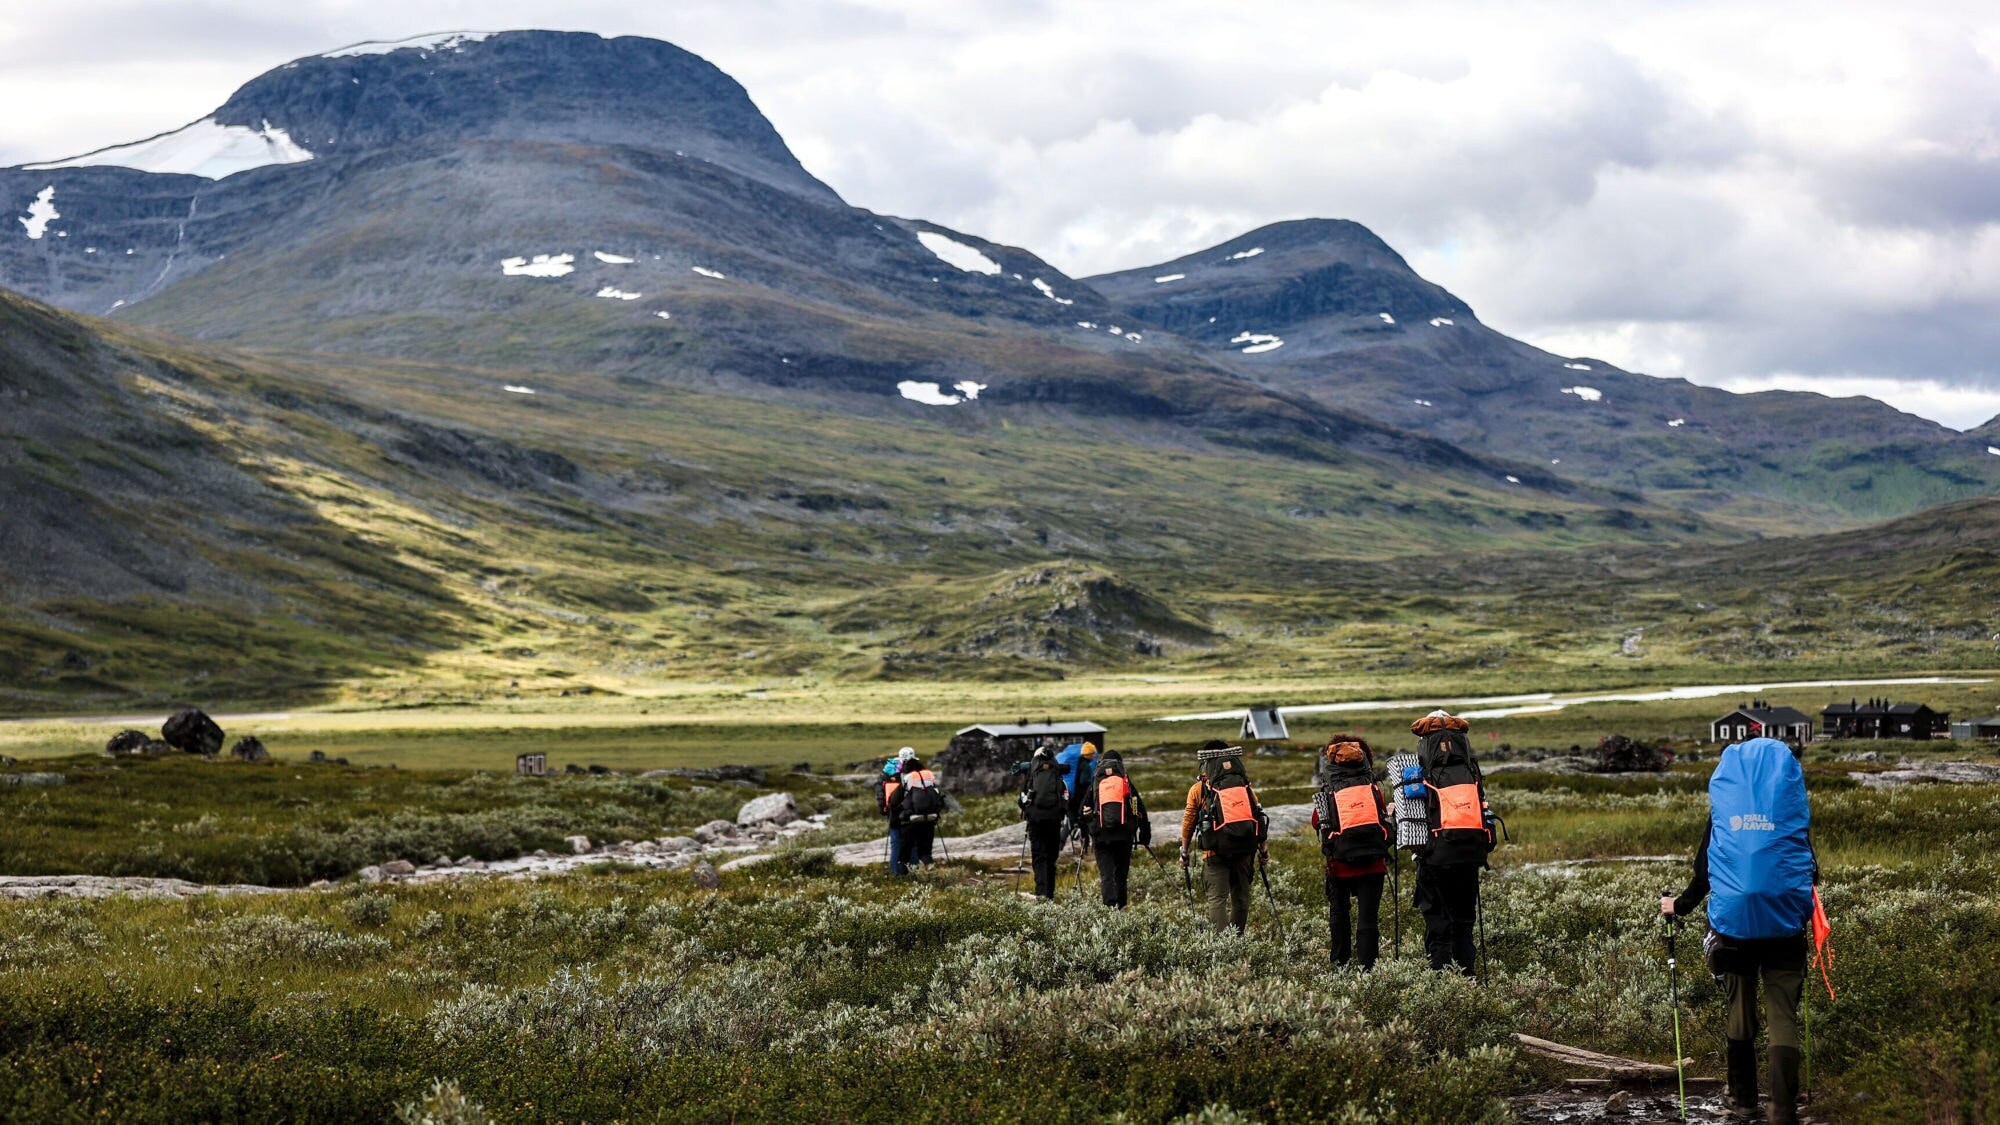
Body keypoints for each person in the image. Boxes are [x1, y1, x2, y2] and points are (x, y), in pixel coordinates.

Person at [1661, 735, 1818, 1124]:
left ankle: (1743, 1100)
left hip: (1734, 928)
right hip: (1785, 923)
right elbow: (1809, 866)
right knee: (1782, 1012)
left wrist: (1676, 907)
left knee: (1740, 1009)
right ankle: (1782, 1107)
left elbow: (1703, 875)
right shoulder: (1787, 807)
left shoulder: (1724, 811)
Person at [1410, 710, 1493, 975]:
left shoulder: (1418, 771)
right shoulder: (1471, 770)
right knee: (1464, 923)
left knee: (1438, 925)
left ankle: (1441, 986)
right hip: (1470, 854)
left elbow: (1410, 823)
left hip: (1435, 858)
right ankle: (1467, 981)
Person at [1311, 735, 1389, 969]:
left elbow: (1317, 821)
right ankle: (1368, 968)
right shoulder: (1372, 787)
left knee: (1339, 913)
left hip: (1340, 864)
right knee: (1367, 918)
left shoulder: (1329, 789)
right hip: (1374, 864)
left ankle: (1340, 964)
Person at [1180, 739, 1268, 934]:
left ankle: (1224, 946)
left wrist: (1184, 851)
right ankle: (1236, 939)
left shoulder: (1198, 789)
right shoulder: (1244, 786)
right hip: (1244, 848)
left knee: (1217, 900)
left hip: (1214, 852)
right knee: (1241, 899)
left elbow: (1188, 822)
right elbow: (1257, 815)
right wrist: (1263, 849)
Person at [1078, 749, 1150, 908]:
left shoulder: (1096, 781)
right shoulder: (1125, 781)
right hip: (1124, 836)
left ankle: (1109, 908)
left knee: (1106, 876)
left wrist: (1087, 829)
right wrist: (1145, 834)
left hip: (1101, 836)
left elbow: (1082, 809)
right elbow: (1140, 809)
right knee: (1121, 876)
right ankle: (1121, 907)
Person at [1019, 745, 1068, 898]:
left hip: (1036, 821)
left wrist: (1028, 810)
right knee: (1051, 857)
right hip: (1053, 821)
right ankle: (1050, 894)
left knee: (1039, 856)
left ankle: (1041, 892)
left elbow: (1022, 800)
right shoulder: (1057, 774)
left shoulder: (1031, 774)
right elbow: (1066, 799)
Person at [889, 752, 943, 873]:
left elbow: (894, 800)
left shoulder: (909, 778)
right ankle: (928, 863)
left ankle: (903, 877)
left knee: (905, 852)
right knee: (925, 850)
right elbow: (939, 797)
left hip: (911, 821)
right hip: (930, 819)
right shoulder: (929, 777)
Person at [876, 749, 910, 875]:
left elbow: (880, 792)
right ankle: (909, 872)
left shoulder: (887, 771)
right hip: (908, 813)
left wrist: (883, 809)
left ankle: (895, 873)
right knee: (911, 843)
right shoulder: (910, 771)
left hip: (892, 813)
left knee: (895, 843)